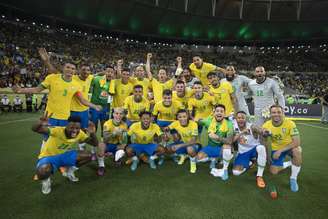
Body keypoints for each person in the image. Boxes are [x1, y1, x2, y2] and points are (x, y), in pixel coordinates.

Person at [13, 62, 101, 128]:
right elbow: (37, 89)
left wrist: (94, 106)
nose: (70, 70)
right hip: (50, 116)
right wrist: (21, 90)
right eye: (68, 67)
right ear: (63, 68)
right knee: (47, 138)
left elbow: (82, 100)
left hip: (65, 117)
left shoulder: (76, 85)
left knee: (60, 139)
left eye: (72, 68)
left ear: (75, 71)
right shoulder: (53, 78)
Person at [32, 113, 101, 194]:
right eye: (72, 127)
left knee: (89, 156)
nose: (74, 130)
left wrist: (92, 133)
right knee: (42, 172)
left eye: (77, 128)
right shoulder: (57, 130)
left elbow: (95, 143)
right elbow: (35, 129)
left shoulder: (80, 133)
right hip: (49, 157)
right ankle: (46, 180)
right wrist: (40, 122)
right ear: (66, 126)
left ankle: (69, 171)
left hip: (64, 156)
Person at [262, 105, 302, 192]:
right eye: (274, 112)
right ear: (270, 114)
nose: (276, 114)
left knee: (297, 150)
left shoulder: (290, 123)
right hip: (276, 149)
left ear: (283, 113)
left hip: (289, 147)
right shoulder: (266, 125)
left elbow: (297, 142)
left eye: (279, 112)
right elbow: (264, 142)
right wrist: (267, 156)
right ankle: (290, 163)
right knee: (273, 171)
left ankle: (293, 178)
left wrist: (280, 150)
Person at [197, 104, 233, 180]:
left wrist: (217, 138)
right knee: (199, 158)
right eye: (217, 111)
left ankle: (225, 169)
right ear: (214, 113)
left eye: (221, 111)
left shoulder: (229, 124)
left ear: (224, 114)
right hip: (210, 147)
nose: (219, 113)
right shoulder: (208, 121)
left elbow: (230, 141)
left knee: (227, 147)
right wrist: (199, 119)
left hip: (221, 148)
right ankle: (213, 159)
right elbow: (198, 121)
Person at [231, 111, 266, 188]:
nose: (241, 119)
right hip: (243, 152)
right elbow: (232, 140)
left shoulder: (252, 127)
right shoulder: (233, 127)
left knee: (261, 148)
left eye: (243, 118)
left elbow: (261, 130)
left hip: (254, 150)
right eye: (239, 118)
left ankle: (259, 176)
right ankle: (250, 162)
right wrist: (242, 132)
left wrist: (264, 132)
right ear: (236, 119)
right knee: (235, 172)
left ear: (246, 119)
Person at [97, 108, 128, 176]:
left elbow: (125, 140)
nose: (118, 116)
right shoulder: (107, 123)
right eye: (116, 113)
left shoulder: (124, 125)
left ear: (123, 115)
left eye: (121, 114)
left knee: (124, 150)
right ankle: (101, 166)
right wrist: (114, 133)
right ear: (113, 114)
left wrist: (122, 147)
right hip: (107, 144)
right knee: (101, 145)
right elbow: (105, 139)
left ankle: (116, 158)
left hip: (117, 145)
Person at [70, 65, 94, 151]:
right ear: (79, 70)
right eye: (83, 70)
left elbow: (98, 74)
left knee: (83, 130)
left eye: (88, 70)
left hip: (84, 110)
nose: (86, 72)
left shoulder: (90, 77)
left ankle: (81, 148)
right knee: (71, 130)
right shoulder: (73, 78)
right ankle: (67, 148)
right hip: (72, 110)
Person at [89, 66, 115, 134]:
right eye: (108, 71)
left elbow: (111, 97)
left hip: (105, 107)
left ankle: (103, 139)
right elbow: (88, 80)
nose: (109, 73)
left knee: (104, 124)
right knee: (94, 124)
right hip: (95, 106)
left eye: (111, 72)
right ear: (104, 72)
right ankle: (93, 139)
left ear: (113, 74)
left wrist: (108, 109)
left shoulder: (113, 83)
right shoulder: (97, 79)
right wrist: (97, 74)